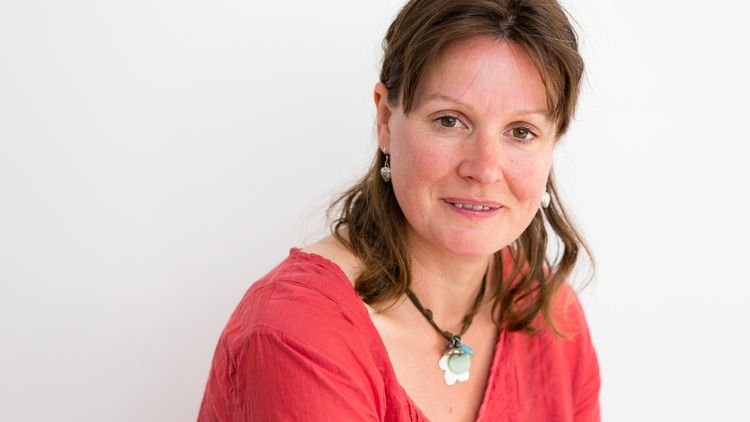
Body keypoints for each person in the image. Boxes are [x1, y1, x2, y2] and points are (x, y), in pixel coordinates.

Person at [198, 0, 600, 420]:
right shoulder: (295, 331)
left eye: (521, 131)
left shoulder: (553, 317)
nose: (484, 169)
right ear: (386, 120)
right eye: (449, 120)